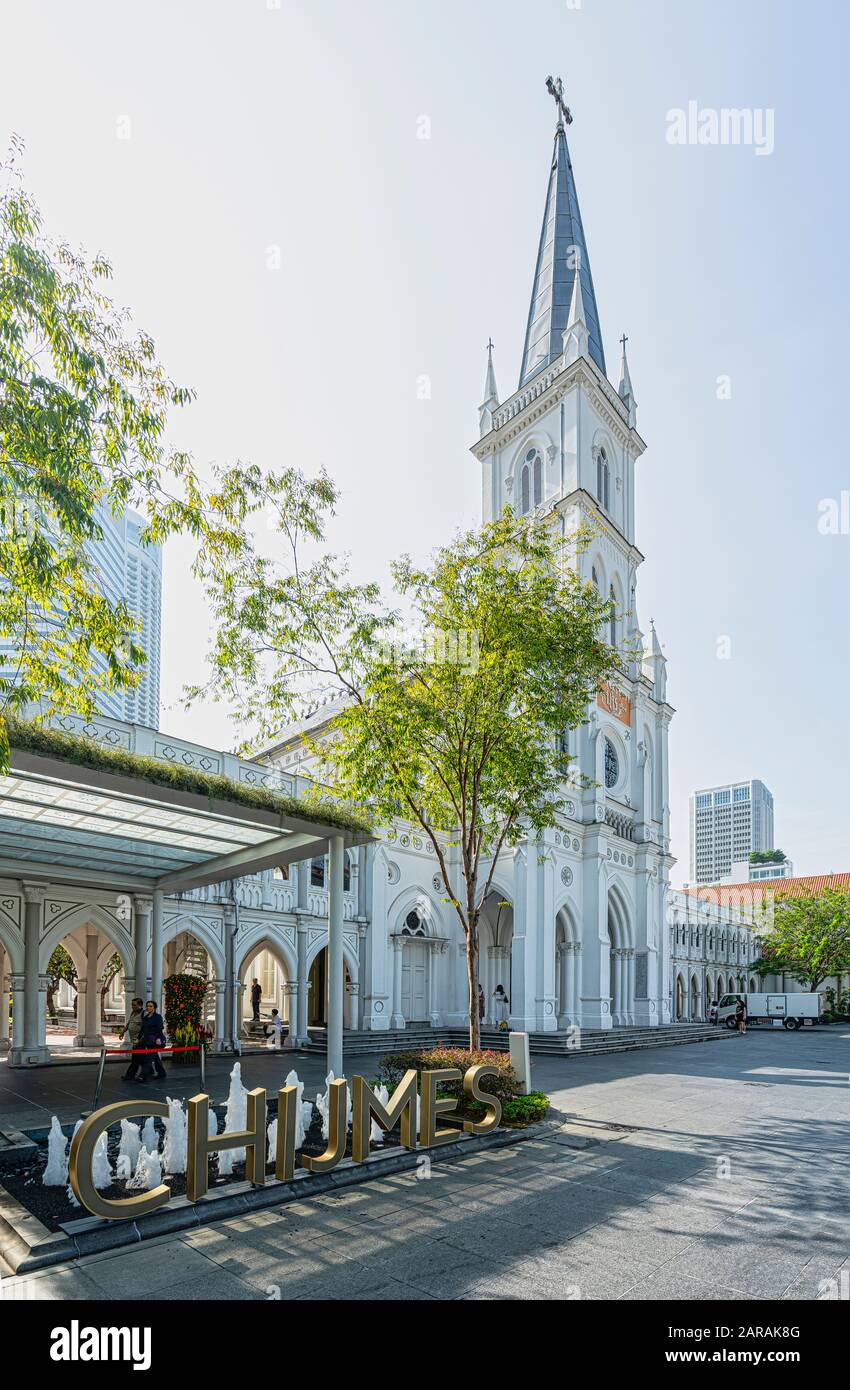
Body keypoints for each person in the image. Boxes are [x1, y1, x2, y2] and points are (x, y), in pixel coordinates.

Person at [136, 1000, 167, 1081]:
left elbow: (159, 1028)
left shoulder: (158, 1017)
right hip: (147, 1040)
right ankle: (161, 1072)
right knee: (154, 1057)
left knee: (149, 1058)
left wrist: (158, 1038)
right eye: (147, 1006)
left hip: (155, 1041)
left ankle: (143, 1075)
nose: (148, 1007)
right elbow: (142, 1030)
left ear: (155, 1008)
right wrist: (138, 1039)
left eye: (151, 1006)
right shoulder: (145, 1018)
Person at [119, 997, 144, 1079]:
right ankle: (151, 1070)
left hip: (139, 1040)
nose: (132, 1006)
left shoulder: (143, 1014)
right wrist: (122, 1032)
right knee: (141, 1059)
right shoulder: (133, 1013)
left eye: (134, 1005)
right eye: (132, 1005)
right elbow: (129, 1023)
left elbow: (144, 1028)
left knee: (135, 1059)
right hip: (133, 1040)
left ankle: (130, 1075)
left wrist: (139, 1039)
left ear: (140, 1005)